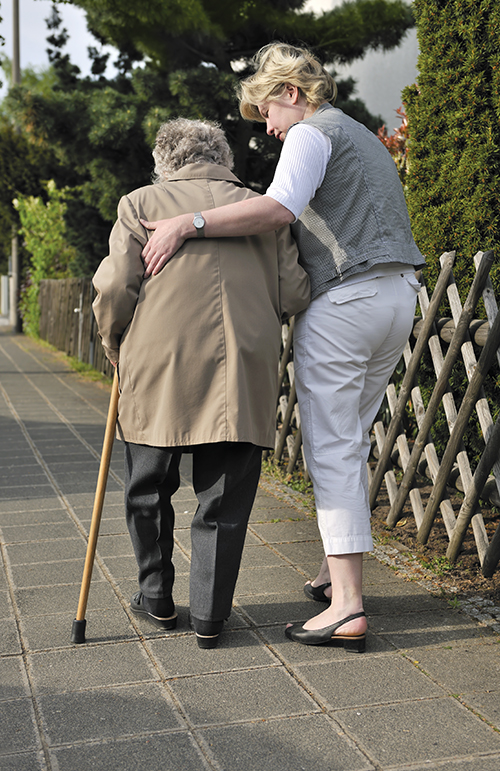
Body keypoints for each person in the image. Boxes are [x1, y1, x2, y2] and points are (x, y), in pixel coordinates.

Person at [139, 44, 426, 653]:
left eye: (266, 109)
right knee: (353, 433)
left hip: (346, 300)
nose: (266, 127)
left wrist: (187, 223)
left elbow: (275, 210)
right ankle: (333, 571)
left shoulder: (310, 133)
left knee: (331, 446)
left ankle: (347, 605)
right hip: (401, 295)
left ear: (292, 93)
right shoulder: (362, 136)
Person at [92, 117, 310, 649]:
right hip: (242, 362)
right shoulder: (263, 209)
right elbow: (295, 294)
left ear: (165, 160)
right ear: (225, 159)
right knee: (224, 499)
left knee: (147, 487)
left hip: (158, 363)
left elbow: (116, 287)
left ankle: (157, 598)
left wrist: (113, 344)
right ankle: (211, 618)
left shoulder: (141, 204)